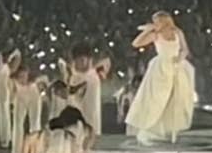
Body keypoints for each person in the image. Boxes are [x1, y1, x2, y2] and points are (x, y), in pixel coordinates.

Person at [125, 11, 195, 144]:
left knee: (175, 100)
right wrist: (147, 31)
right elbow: (136, 44)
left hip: (176, 67)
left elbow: (185, 49)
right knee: (156, 100)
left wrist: (180, 58)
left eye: (158, 21)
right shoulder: (156, 35)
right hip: (160, 69)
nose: (156, 23)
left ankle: (168, 131)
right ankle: (149, 128)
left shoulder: (177, 32)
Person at [62, 44, 110, 137]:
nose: (83, 62)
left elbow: (106, 62)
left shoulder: (93, 76)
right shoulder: (72, 77)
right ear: (74, 61)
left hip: (91, 122)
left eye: (86, 59)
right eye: (80, 60)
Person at [11, 67, 43, 153]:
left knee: (35, 124)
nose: (22, 79)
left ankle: (34, 149)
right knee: (17, 124)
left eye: (24, 76)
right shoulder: (14, 82)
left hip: (34, 96)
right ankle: (16, 151)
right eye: (20, 77)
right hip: (20, 98)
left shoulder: (34, 83)